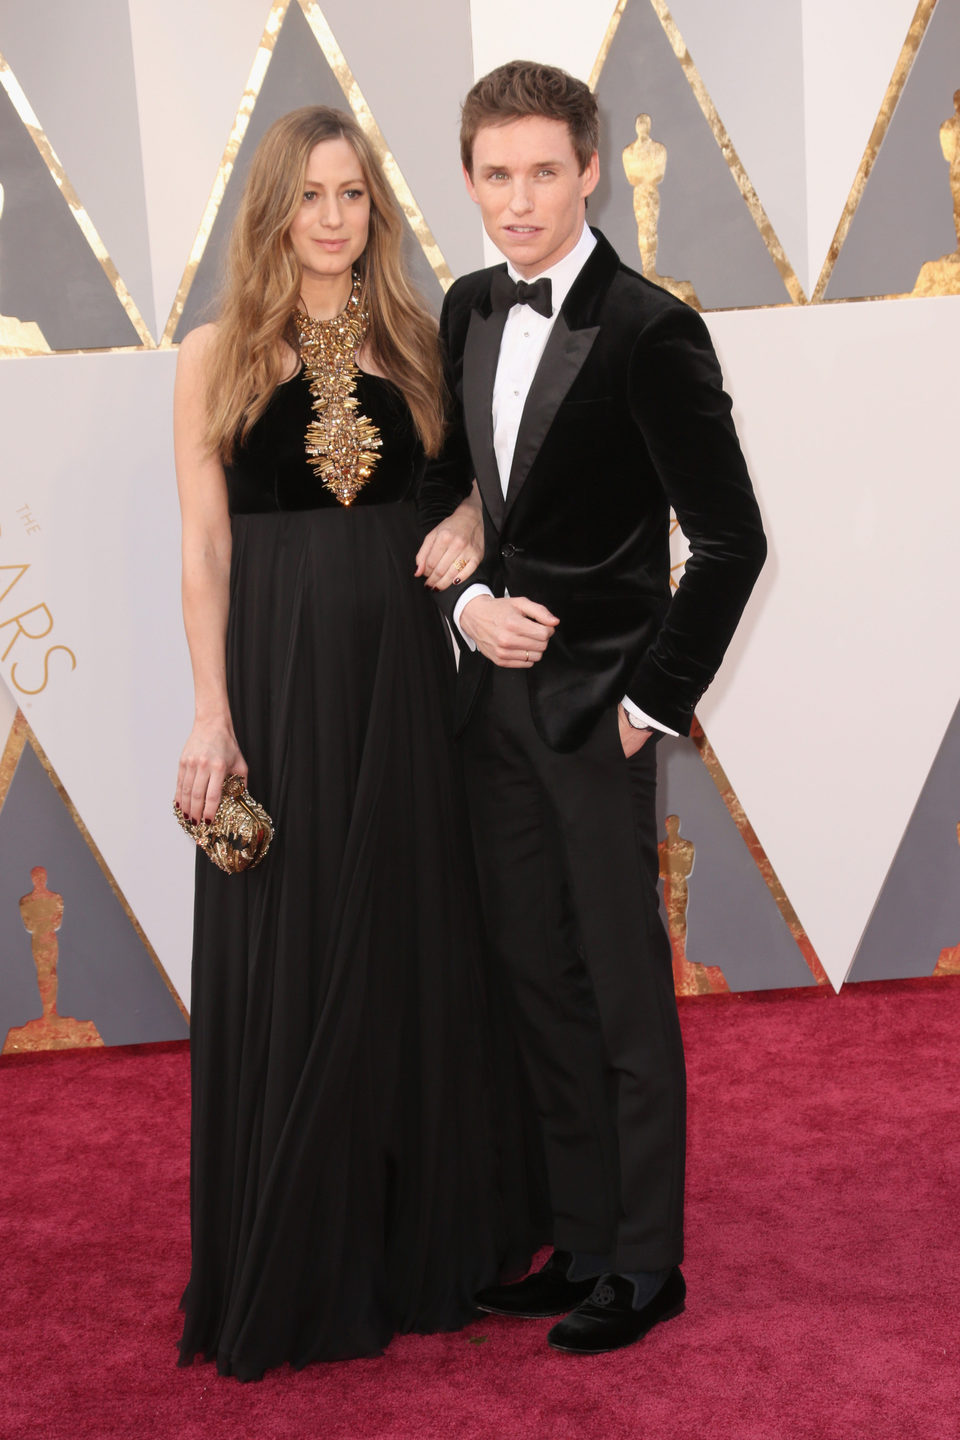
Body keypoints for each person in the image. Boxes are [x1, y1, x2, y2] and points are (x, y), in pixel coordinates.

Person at [173, 104, 540, 1379]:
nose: (333, 218)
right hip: (276, 679)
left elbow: (494, 480)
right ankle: (300, 1249)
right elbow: (207, 546)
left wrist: (479, 531)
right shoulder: (216, 353)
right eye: (311, 195)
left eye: (353, 195)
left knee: (404, 935)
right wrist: (213, 711)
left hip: (400, 673)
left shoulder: (418, 339)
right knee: (297, 937)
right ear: (271, 206)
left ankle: (412, 1241)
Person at [418, 61, 767, 1356]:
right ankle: (577, 1239)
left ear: (591, 172)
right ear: (470, 180)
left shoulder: (651, 327)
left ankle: (647, 1264)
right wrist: (464, 611)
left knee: (621, 989)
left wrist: (654, 706)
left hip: (600, 717)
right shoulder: (463, 309)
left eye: (542, 174)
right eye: (496, 176)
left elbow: (732, 543)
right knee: (535, 977)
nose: (518, 201)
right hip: (487, 714)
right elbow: (451, 506)